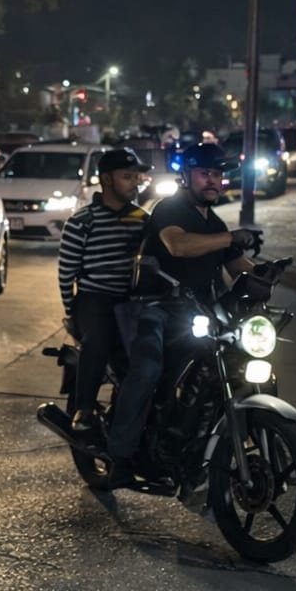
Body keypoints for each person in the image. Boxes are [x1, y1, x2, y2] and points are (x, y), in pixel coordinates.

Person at [105, 142, 260, 486]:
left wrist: (267, 274)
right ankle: (120, 456)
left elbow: (238, 264)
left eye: (217, 174)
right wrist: (230, 238)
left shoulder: (213, 222)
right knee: (148, 370)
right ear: (187, 176)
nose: (213, 180)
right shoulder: (169, 210)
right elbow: (179, 245)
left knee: (229, 363)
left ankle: (197, 442)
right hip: (154, 308)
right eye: (205, 173)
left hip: (195, 314)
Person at [55, 148, 150, 426]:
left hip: (131, 300)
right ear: (107, 180)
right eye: (127, 177)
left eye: (136, 177)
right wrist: (71, 313)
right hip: (94, 298)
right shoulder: (82, 221)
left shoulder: (142, 219)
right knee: (98, 340)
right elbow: (66, 273)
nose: (135, 183)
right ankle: (83, 409)